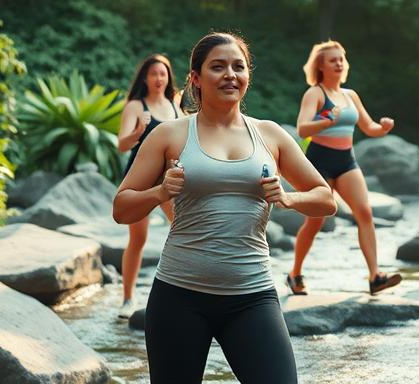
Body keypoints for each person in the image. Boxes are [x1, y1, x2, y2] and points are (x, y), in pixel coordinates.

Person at [113, 32, 335, 384]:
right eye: (218, 67)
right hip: (179, 296)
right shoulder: (169, 135)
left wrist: (289, 198)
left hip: (253, 297)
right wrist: (160, 191)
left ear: (248, 76)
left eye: (238, 66)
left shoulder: (270, 134)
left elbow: (326, 198)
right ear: (196, 79)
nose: (230, 74)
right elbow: (122, 209)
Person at [285, 40, 404, 296]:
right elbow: (303, 128)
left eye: (341, 59)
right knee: (315, 222)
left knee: (365, 213)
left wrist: (382, 127)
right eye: (332, 60)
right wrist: (327, 119)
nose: (339, 63)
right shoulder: (315, 93)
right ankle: (294, 274)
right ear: (321, 66)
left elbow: (368, 127)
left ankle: (375, 277)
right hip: (320, 161)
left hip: (346, 161)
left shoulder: (350, 95)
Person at [116, 53, 183, 318]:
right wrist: (137, 132)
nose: (158, 78)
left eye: (163, 74)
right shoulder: (135, 106)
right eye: (154, 73)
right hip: (141, 177)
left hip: (171, 177)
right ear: (145, 77)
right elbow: (122, 144)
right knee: (138, 239)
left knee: (182, 230)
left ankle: (181, 293)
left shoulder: (175, 103)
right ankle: (127, 299)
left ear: (168, 78)